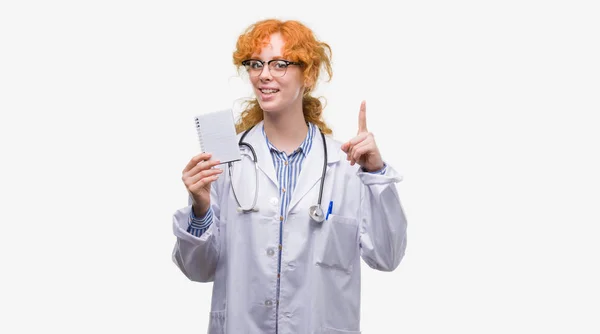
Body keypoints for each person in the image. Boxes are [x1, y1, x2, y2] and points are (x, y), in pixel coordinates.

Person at [172, 18, 407, 334]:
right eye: (256, 64)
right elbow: (198, 270)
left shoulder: (348, 166)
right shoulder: (226, 162)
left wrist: (376, 173)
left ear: (308, 75)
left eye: (280, 64)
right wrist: (200, 209)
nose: (264, 75)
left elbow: (387, 256)